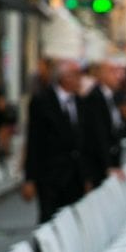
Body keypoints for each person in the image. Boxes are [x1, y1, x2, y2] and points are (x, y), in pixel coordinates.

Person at [22, 59, 84, 224]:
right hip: (50, 177)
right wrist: (29, 178)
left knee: (72, 222)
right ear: (65, 78)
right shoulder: (42, 101)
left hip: (75, 178)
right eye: (76, 75)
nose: (80, 80)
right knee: (49, 222)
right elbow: (34, 141)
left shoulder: (79, 101)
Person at [81, 60, 125, 190]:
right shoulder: (95, 97)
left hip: (115, 155)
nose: (118, 76)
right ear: (101, 76)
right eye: (113, 72)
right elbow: (99, 134)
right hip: (100, 164)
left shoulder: (116, 95)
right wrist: (107, 165)